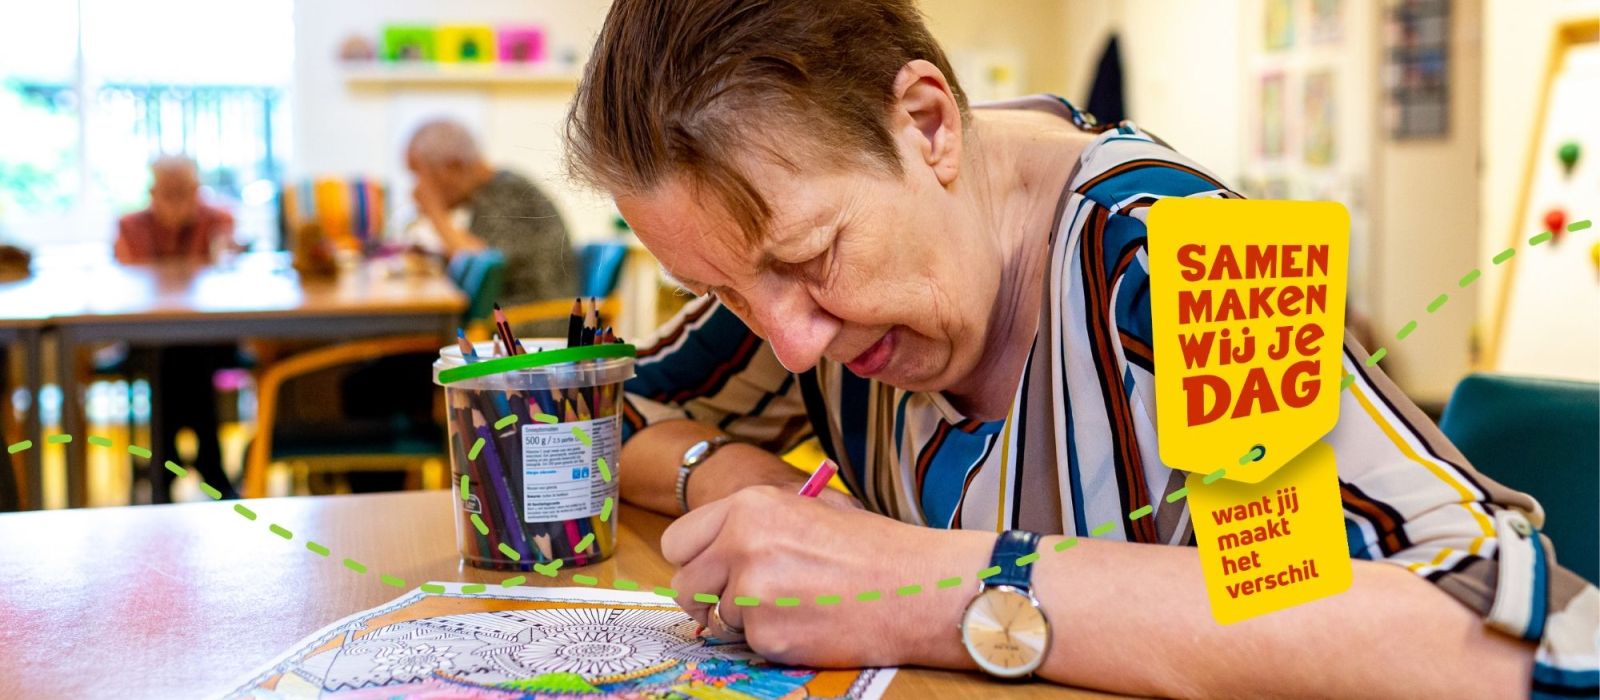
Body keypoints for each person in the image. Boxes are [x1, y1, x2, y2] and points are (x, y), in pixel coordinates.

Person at [563, 1, 1598, 697]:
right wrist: (733, 471)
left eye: (811, 256)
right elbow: (602, 415)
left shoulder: (1189, 259)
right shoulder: (806, 263)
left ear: (927, 125)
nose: (787, 341)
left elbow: (1472, 641)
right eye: (721, 293)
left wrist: (915, 585)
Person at [113, 155, 239, 502]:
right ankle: (209, 465)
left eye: (183, 190)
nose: (175, 199)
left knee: (184, 353)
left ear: (198, 189)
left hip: (209, 336)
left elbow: (218, 270)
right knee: (173, 354)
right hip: (148, 338)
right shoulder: (130, 225)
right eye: (166, 191)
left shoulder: (218, 219)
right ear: (152, 191)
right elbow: (139, 277)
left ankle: (164, 467)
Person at [405, 119, 578, 314]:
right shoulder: (490, 192)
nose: (417, 189)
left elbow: (478, 265)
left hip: (532, 320)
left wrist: (435, 211)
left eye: (420, 175)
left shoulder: (509, 192)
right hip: (508, 316)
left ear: (454, 166)